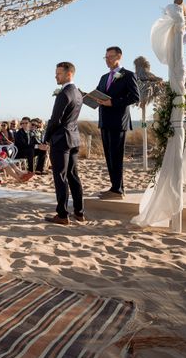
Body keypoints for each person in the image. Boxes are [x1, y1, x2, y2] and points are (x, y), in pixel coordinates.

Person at [40, 62, 85, 225]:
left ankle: (62, 215)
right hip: (74, 139)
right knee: (73, 175)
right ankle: (79, 212)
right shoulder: (78, 93)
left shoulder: (64, 94)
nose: (55, 76)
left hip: (61, 140)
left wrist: (46, 138)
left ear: (68, 74)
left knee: (61, 177)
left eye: (58, 73)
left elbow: (55, 120)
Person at [94, 46, 140, 199]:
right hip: (104, 121)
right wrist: (90, 97)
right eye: (105, 57)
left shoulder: (128, 75)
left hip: (119, 122)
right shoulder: (103, 77)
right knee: (109, 156)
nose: (107, 60)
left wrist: (113, 103)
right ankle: (115, 188)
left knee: (116, 156)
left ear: (119, 56)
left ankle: (118, 190)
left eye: (110, 57)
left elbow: (135, 97)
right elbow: (98, 94)